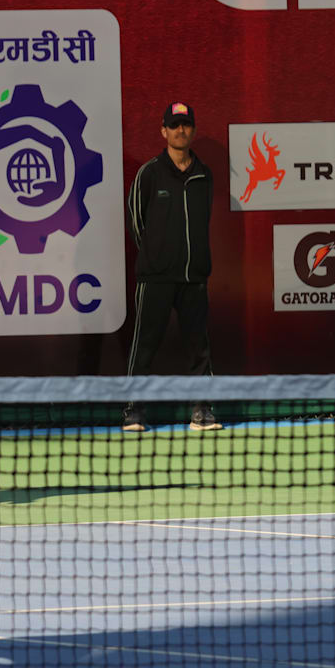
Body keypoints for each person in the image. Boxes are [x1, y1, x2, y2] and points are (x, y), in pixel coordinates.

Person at [123, 102, 221, 432]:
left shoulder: (204, 174)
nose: (181, 130)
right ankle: (133, 411)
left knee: (199, 348)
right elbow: (136, 221)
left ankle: (202, 411)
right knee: (144, 346)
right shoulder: (149, 174)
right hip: (156, 279)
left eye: (186, 125)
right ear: (163, 131)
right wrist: (156, 258)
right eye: (175, 125)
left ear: (193, 130)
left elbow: (203, 221)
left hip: (194, 277)